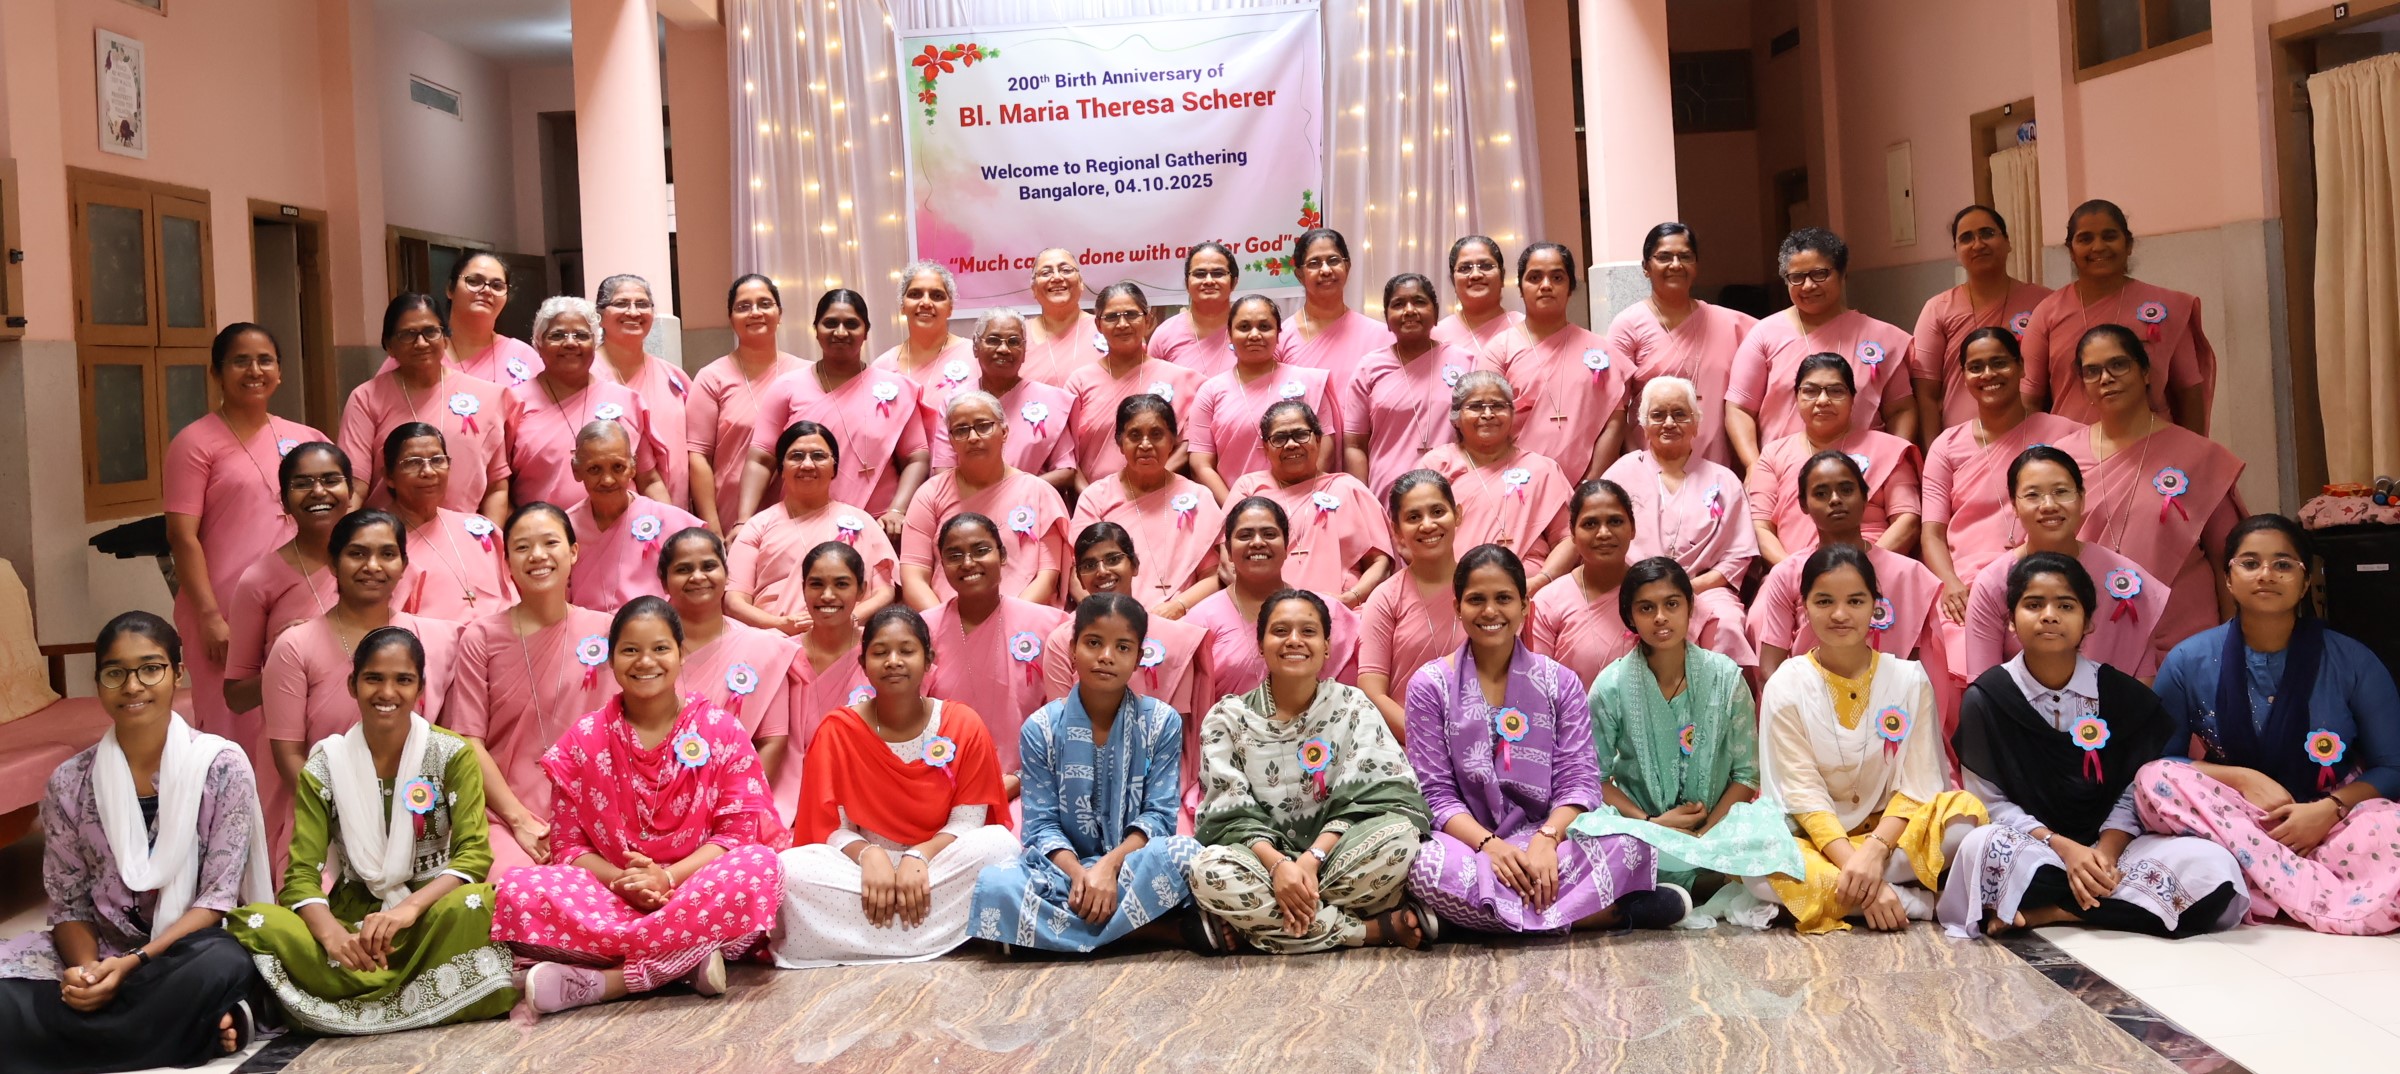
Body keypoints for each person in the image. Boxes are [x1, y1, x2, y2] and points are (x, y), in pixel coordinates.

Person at [0, 613, 272, 1072]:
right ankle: (192, 1032)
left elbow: (217, 900)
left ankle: (99, 1034)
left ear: (177, 674)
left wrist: (132, 965)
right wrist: (87, 975)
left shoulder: (222, 767)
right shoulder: (69, 782)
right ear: (98, 682)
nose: (133, 686)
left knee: (221, 961)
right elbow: (69, 906)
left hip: (189, 950)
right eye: (115, 673)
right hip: (102, 950)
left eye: (150, 668)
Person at [493, 597, 788, 1015]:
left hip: (693, 888)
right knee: (519, 890)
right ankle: (685, 962)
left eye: (660, 648)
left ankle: (612, 981)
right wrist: (624, 882)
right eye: (630, 650)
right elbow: (568, 849)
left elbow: (736, 837)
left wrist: (666, 878)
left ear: (681, 653)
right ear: (611, 659)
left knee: (759, 867)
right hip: (611, 896)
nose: (645, 661)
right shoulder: (585, 738)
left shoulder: (721, 729)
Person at [227, 626, 519, 1033]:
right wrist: (331, 936)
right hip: (354, 931)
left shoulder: (452, 754)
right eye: (374, 678)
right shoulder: (324, 766)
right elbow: (301, 877)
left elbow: (473, 855)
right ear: (352, 684)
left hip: (429, 921)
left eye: (403, 680)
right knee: (259, 920)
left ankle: (332, 1007)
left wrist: (408, 910)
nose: (387, 692)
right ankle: (427, 997)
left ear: (420, 688)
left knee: (475, 902)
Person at [1939, 554, 2247, 939]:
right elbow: (1992, 803)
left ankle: (2057, 912)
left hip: (2117, 851)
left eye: (2065, 606)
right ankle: (2108, 905)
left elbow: (2134, 792)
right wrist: (2066, 849)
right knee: (1979, 847)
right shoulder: (1987, 698)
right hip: (2036, 847)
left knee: (2214, 871)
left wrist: (2104, 854)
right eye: (2033, 604)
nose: (2049, 615)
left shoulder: (2122, 695)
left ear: (2088, 622)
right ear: (2011, 620)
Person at [2135, 515, 2400, 935]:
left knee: (2390, 826)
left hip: (2332, 822)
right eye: (2250, 563)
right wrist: (2240, 779)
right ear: (2228, 579)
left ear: (2305, 577)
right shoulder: (2189, 660)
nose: (2266, 575)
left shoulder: (2352, 660)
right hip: (2237, 818)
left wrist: (2327, 811)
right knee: (2154, 779)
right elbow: (2162, 759)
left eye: (2282, 564)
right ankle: (2320, 890)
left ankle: (2262, 884)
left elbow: (2393, 766)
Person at [1403, 546, 1687, 935]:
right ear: (1457, 607)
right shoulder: (1429, 686)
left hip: (1549, 838)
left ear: (1525, 606)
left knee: (1630, 844)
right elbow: (1436, 794)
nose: (1490, 612)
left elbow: (1580, 782)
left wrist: (1546, 839)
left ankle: (1469, 923)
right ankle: (1599, 915)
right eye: (1476, 600)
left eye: (1503, 599)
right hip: (1467, 842)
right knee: (1425, 866)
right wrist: (1490, 845)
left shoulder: (1560, 682)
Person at [1750, 545, 1987, 933]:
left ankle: (1847, 893)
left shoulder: (1909, 679)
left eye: (1855, 601)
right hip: (1815, 839)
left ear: (1875, 606)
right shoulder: (1786, 684)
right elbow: (1802, 793)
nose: (1840, 614)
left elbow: (1919, 782)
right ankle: (1907, 901)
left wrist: (1875, 851)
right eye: (1824, 601)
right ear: (1804, 607)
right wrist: (1860, 870)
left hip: (1888, 839)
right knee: (1756, 864)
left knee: (1962, 824)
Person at [1187, 590, 1432, 953]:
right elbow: (1230, 810)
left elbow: (1377, 794)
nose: (1294, 641)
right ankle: (1370, 931)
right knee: (1207, 871)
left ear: (1327, 646)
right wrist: (1278, 867)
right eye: (1280, 631)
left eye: (1308, 631)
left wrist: (1310, 860)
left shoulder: (1352, 706)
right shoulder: (1228, 718)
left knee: (1399, 840)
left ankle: (1263, 926)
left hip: (1337, 855)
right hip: (1263, 863)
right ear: (1260, 644)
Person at [775, 605, 1019, 967]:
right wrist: (869, 855)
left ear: (928, 660)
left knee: (998, 846)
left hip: (938, 864)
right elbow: (833, 828)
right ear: (862, 662)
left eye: (906, 651)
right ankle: (940, 933)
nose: (893, 661)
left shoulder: (962, 723)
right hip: (864, 871)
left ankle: (863, 937)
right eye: (880, 652)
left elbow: (968, 823)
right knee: (789, 869)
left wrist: (919, 856)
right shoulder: (838, 730)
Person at [972, 593, 1204, 952]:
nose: (1106, 656)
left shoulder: (1161, 722)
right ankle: (1156, 933)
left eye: (1122, 647)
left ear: (1139, 658)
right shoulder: (1041, 727)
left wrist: (1109, 868)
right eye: (1093, 643)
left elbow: (1158, 816)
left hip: (1131, 863)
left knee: (1183, 854)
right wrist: (1083, 876)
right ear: (1073, 649)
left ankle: (1043, 937)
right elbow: (1041, 825)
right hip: (1065, 873)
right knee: (996, 884)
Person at [1573, 558, 1800, 895]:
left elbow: (1746, 775)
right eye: (1646, 608)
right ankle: (1705, 880)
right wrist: (1652, 823)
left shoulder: (1726, 677)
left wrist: (1705, 832)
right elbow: (1597, 777)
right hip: (1643, 828)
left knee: (1774, 829)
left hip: (1717, 826)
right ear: (1630, 616)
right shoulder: (1611, 685)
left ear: (1690, 607)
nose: (1660, 617)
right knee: (1588, 831)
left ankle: (1664, 883)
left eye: (1672, 604)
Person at [164, 323, 329, 754]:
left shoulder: (307, 439)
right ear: (217, 372)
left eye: (265, 360)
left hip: (300, 601)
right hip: (225, 610)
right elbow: (183, 537)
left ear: (279, 372)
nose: (254, 370)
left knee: (303, 721)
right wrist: (208, 616)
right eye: (240, 361)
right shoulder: (195, 442)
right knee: (231, 729)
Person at [263, 509, 458, 866]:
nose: (373, 565)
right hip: (325, 824)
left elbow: (451, 745)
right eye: (357, 553)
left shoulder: (439, 639)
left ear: (403, 564)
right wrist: (347, 816)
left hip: (422, 819)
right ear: (333, 563)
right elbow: (288, 754)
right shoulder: (295, 646)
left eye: (387, 554)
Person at [448, 503, 620, 875]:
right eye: (523, 547)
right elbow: (469, 738)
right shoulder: (482, 636)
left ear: (573, 552)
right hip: (505, 815)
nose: (538, 555)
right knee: (514, 891)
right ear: (507, 560)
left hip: (597, 812)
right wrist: (519, 820)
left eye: (550, 543)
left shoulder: (609, 631)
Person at [2064, 324, 2243, 653]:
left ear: (2145, 372)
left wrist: (2232, 647)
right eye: (2092, 371)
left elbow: (2228, 560)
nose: (2106, 378)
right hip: (2091, 633)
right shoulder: (2061, 458)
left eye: (2118, 364)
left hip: (2185, 635)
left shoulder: (2198, 456)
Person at [1038, 524, 1214, 828]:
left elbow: (1185, 736)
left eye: (1113, 559)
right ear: (1079, 577)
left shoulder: (1178, 640)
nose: (1102, 571)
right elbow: (1061, 729)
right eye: (1089, 565)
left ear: (1134, 565)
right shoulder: (1062, 640)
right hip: (1083, 782)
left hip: (1162, 781)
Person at [1918, 328, 2090, 638]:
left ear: (2021, 367)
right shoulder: (1946, 446)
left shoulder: (2067, 435)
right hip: (1967, 582)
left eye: (1999, 362)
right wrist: (1951, 583)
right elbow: (1932, 532)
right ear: (1964, 375)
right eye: (1976, 367)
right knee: (1955, 635)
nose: (1988, 374)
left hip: (2047, 576)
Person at [1961, 446, 2171, 682]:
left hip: (2115, 716)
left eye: (2061, 491)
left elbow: (2142, 686)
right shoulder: (1993, 582)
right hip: (2017, 714)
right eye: (2033, 495)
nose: (2049, 504)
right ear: (2014, 505)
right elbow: (1984, 686)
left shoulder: (2125, 579)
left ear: (2081, 499)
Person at [1748, 452, 1948, 696]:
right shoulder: (1787, 573)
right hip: (1810, 705)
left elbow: (1919, 670)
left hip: (1890, 716)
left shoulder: (1910, 575)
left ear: (1865, 497)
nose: (1835, 500)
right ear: (1803, 504)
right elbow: (1771, 669)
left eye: (1846, 489)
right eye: (1821, 493)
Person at [1527, 479, 1753, 685]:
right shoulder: (1549, 602)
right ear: (1573, 535)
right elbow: (1539, 687)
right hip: (1576, 727)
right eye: (1590, 524)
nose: (1604, 533)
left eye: (1615, 521)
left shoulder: (1661, 591)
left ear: (1632, 529)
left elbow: (1706, 673)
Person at [1724, 229, 1917, 470]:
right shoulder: (1764, 335)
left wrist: (1890, 462)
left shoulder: (1881, 338)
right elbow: (1739, 409)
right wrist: (1754, 466)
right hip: (1783, 473)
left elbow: (1900, 409)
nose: (1807, 285)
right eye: (1796, 277)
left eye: (1819, 274)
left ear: (1842, 274)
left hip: (1863, 474)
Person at [741, 289, 931, 532]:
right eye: (830, 323)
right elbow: (761, 458)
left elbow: (916, 457)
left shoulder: (896, 389)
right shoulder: (786, 388)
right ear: (816, 330)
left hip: (878, 527)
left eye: (851, 324)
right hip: (802, 524)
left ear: (866, 333)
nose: (840, 332)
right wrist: (743, 520)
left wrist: (897, 510)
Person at [2022, 200, 2214, 431]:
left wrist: (2193, 456)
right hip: (2070, 454)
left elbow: (2188, 389)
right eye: (2085, 239)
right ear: (2071, 251)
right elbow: (2031, 397)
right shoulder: (2048, 312)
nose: (2098, 247)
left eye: (2109, 236)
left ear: (2129, 244)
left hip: (2151, 450)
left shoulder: (2169, 306)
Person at [222, 443, 354, 771]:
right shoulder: (259, 580)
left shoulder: (378, 567)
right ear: (283, 500)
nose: (318, 491)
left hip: (380, 741)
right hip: (294, 754)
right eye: (302, 483)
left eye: (331, 479)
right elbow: (236, 696)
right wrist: (289, 663)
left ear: (351, 491)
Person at [920, 512, 1072, 791]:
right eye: (954, 555)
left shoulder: (1051, 626)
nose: (968, 563)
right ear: (942, 565)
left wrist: (1018, 780)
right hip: (941, 783)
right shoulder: (921, 630)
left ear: (1002, 556)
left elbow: (1069, 719)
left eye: (980, 551)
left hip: (1035, 781)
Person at [1605, 375, 1757, 632]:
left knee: (1727, 623)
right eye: (1658, 415)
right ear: (1643, 424)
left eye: (1679, 414)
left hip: (1703, 589)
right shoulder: (1620, 474)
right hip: (1633, 587)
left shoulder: (1724, 480)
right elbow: (1604, 542)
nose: (1668, 423)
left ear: (1696, 423)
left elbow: (1738, 555)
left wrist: (1688, 587)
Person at [340, 293, 511, 516]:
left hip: (463, 540)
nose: (421, 343)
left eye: (430, 332)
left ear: (445, 339)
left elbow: (496, 486)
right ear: (389, 346)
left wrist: (490, 543)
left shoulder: (487, 396)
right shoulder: (366, 398)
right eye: (408, 335)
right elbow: (355, 487)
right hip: (389, 539)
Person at [1744, 353, 1922, 564]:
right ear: (1796, 397)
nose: (1822, 401)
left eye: (1836, 391)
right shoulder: (1773, 454)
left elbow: (1907, 521)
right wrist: (1793, 573)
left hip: (1875, 571)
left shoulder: (1890, 449)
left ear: (1853, 398)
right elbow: (1760, 527)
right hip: (1793, 575)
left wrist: (1860, 568)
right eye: (1810, 391)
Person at [659, 527, 798, 797]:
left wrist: (731, 804)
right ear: (664, 582)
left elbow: (772, 741)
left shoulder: (763, 649)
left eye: (709, 566)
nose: (698, 577)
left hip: (734, 799)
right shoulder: (646, 648)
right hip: (652, 796)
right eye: (683, 569)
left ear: (726, 574)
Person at [900, 392, 1072, 609]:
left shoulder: (1039, 493)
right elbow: (914, 577)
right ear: (951, 441)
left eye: (983, 426)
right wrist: (942, 625)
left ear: (1004, 431)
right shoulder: (930, 494)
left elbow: (1047, 578)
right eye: (961, 430)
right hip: (947, 623)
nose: (973, 437)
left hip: (1022, 627)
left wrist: (1005, 621)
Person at [726, 420, 899, 634]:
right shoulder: (758, 526)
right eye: (796, 456)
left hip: (845, 640)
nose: (807, 465)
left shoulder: (862, 522)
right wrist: (780, 625)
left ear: (834, 468)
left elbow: (884, 592)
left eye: (818, 456)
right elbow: (735, 600)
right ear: (781, 469)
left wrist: (843, 620)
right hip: (771, 640)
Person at [1608, 223, 1757, 468]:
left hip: (1719, 464)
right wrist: (1637, 464)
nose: (1676, 265)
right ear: (1646, 267)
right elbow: (1615, 410)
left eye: (1685, 257)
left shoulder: (1731, 324)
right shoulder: (1628, 325)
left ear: (1696, 265)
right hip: (1652, 462)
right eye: (1664, 257)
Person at [1187, 497, 1363, 699]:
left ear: (1287, 546)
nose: (1258, 543)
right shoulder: (1200, 621)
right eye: (1245, 535)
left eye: (1269, 534)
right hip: (1230, 729)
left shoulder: (1327, 612)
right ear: (1228, 550)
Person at [504, 296, 667, 512]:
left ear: (595, 343)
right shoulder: (513, 403)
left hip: (621, 534)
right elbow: (498, 488)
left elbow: (649, 480)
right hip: (545, 539)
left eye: (581, 335)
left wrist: (669, 530)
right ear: (538, 343)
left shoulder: (626, 400)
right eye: (557, 335)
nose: (570, 343)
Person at [1480, 242, 1626, 482]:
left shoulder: (1599, 350)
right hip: (1515, 483)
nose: (1545, 286)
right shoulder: (1499, 349)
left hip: (1586, 488)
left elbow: (1615, 422)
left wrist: (1592, 481)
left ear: (1570, 288)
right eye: (1535, 277)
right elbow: (1485, 423)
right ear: (1520, 287)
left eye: (1557, 277)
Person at [1066, 394, 1224, 613]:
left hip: (1185, 618)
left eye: (1157, 434)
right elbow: (1078, 574)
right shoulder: (1096, 498)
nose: (1146, 444)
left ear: (1172, 441)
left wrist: (1178, 607)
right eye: (1134, 435)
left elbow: (1215, 574)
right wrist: (1114, 618)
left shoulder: (1198, 497)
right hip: (1110, 619)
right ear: (1120, 443)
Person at [1229, 401, 1395, 607]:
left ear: (1317, 440)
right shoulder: (1249, 488)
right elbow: (1228, 565)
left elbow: (1381, 563)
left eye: (1300, 434)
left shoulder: (1348, 488)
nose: (1291, 444)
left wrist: (1349, 599)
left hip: (1343, 612)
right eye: (1279, 438)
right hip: (1265, 618)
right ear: (1265, 447)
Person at [1417, 371, 1575, 586]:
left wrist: (1540, 582)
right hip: (1454, 588)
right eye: (1476, 406)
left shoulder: (1542, 469)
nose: (1488, 414)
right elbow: (1415, 535)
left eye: (1498, 406)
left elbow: (1569, 538)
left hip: (1530, 591)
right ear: (1456, 416)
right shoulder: (1436, 466)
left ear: (1512, 412)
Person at [1910, 206, 2053, 437]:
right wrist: (1933, 452)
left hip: (2031, 441)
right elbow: (1926, 395)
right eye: (1966, 238)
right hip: (1961, 445)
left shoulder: (2044, 302)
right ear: (1957, 251)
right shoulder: (1938, 309)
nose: (1978, 244)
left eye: (1987, 233)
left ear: (2007, 242)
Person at [1188, 294, 1343, 498]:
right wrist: (1237, 509)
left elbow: (1325, 449)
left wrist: (1301, 498)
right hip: (1236, 513)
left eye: (1264, 326)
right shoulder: (1210, 391)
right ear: (1229, 334)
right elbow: (1200, 463)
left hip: (1302, 503)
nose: (1254, 335)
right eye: (1244, 327)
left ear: (1279, 333)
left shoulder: (1309, 382)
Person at [687, 274, 806, 531]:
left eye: (765, 304)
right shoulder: (712, 378)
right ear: (731, 318)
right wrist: (714, 529)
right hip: (731, 517)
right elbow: (699, 457)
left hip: (800, 514)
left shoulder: (806, 374)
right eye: (743, 307)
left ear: (779, 312)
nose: (755, 312)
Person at [1357, 471, 1466, 742]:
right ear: (1396, 530)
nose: (1428, 525)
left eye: (1438, 511)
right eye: (1413, 517)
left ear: (1458, 515)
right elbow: (1372, 690)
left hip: (1483, 748)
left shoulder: (1483, 589)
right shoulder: (1386, 598)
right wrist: (1427, 740)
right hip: (1409, 750)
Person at [1063, 286, 1204, 484]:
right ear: (1098, 324)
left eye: (1131, 314)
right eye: (1111, 317)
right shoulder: (1079, 382)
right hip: (1095, 505)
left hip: (1160, 496)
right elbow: (1065, 453)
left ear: (1148, 320)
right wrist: (1092, 498)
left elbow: (1191, 445)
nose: (1122, 324)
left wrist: (1149, 482)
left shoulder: (1183, 380)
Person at [1344, 273, 1467, 499]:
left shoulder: (1465, 362)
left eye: (1419, 302)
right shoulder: (1369, 368)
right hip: (1386, 492)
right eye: (1398, 304)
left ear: (1436, 313)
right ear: (1387, 318)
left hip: (1453, 487)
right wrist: (1363, 499)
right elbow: (1354, 445)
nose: (1409, 310)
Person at [562, 421, 706, 612]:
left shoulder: (671, 522)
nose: (607, 480)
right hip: (587, 637)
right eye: (594, 469)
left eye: (618, 467)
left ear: (633, 467)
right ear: (576, 471)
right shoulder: (563, 528)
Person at [933, 307, 1077, 492]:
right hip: (969, 506)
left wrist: (1013, 490)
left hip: (1029, 505)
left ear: (1024, 351)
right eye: (993, 340)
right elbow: (943, 468)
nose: (1003, 349)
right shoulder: (954, 401)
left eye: (1013, 341)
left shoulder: (1052, 401)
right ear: (976, 347)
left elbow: (1066, 469)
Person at [385, 423, 515, 621]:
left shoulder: (480, 529)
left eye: (437, 460)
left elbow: (513, 602)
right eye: (413, 462)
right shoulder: (380, 542)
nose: (428, 471)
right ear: (389, 476)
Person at [783, 541, 875, 817]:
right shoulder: (782, 656)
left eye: (841, 584)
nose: (827, 595)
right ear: (803, 589)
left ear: (862, 590)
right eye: (816, 584)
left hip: (867, 795)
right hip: (792, 798)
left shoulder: (880, 655)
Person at [589, 274, 693, 508]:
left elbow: (698, 450)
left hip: (676, 511)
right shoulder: (585, 377)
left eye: (642, 304)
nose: (634, 312)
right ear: (600, 315)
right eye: (622, 303)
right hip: (610, 511)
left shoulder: (675, 377)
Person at [378, 252, 541, 387]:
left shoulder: (524, 356)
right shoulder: (418, 351)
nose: (486, 290)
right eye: (474, 281)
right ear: (450, 289)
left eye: (497, 286)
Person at [1280, 228, 1395, 399]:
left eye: (1333, 260)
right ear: (1299, 275)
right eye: (1314, 263)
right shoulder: (1280, 338)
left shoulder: (1381, 336)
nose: (1326, 270)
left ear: (1347, 267)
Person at [874, 261, 978, 439]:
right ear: (902, 306)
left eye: (937, 296)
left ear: (950, 308)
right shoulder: (881, 367)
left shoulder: (975, 356)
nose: (926, 302)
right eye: (915, 294)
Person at [1429, 235, 1524, 369]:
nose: (1476, 275)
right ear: (1453, 280)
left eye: (1486, 266)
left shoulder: (1524, 328)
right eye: (1465, 268)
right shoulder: (1435, 336)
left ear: (1502, 276)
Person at [1148, 242, 1240, 379]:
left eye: (1218, 273)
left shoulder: (1250, 331)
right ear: (1187, 283)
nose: (1209, 281)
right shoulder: (1165, 335)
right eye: (1200, 274)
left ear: (1234, 282)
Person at [1019, 248, 1102, 386]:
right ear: (1033, 289)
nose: (1057, 277)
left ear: (1081, 283)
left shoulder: (1105, 329)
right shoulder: (1018, 335)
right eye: (1046, 273)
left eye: (1066, 270)